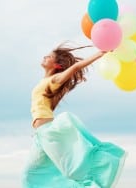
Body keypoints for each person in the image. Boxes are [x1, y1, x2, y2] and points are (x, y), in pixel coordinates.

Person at [22, 43, 127, 188]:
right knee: (34, 175)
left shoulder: (54, 80)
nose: (45, 57)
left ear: (57, 65)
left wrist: (100, 53)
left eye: (50, 57)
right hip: (39, 135)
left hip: (48, 133)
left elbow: (76, 68)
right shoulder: (44, 82)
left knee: (64, 172)